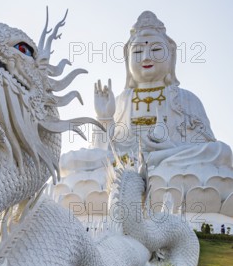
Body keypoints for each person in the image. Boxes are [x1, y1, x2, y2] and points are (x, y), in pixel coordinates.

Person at [92, 11, 233, 177]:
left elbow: (204, 146)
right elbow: (100, 152)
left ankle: (154, 160)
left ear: (171, 54)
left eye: (156, 49)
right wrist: (104, 118)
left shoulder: (186, 99)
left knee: (220, 151)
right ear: (127, 58)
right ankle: (149, 164)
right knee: (70, 160)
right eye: (137, 52)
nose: (146, 58)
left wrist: (168, 148)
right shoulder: (121, 101)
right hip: (125, 165)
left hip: (173, 163)